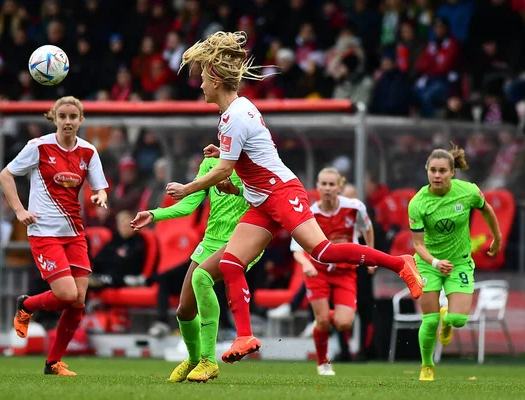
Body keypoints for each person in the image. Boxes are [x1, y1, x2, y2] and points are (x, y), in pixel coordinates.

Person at [167, 31, 423, 363]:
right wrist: (230, 157)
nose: (199, 85)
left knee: (324, 251)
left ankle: (400, 262)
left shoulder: (234, 116)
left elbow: (221, 171)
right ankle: (244, 337)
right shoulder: (235, 112)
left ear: (215, 79)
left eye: (202, 78)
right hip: (261, 199)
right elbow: (246, 159)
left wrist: (187, 188)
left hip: (281, 192)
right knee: (231, 262)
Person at [0, 96, 109, 376]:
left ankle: (53, 363)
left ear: (81, 120)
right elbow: (5, 175)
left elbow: (100, 188)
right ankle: (26, 304)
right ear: (55, 118)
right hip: (44, 232)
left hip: (74, 232)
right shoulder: (38, 146)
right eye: (63, 116)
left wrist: (99, 195)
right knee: (67, 294)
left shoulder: (88, 151)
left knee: (79, 300)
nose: (68, 122)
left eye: (73, 117)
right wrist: (19, 210)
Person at [131, 156, 261, 382]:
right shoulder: (211, 164)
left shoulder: (254, 162)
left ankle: (208, 360)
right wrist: (154, 214)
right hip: (210, 241)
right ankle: (193, 359)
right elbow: (189, 204)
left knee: (202, 278)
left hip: (242, 240)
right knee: (184, 310)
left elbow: (264, 198)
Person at [408, 144, 502, 381]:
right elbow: (417, 244)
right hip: (429, 262)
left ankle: (447, 319)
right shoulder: (418, 203)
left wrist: (497, 237)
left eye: (442, 171)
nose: (437, 175)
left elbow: (487, 209)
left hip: (459, 262)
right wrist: (436, 261)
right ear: (427, 171)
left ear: (452, 172)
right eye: (433, 170)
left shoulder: (468, 191)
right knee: (429, 322)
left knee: (459, 319)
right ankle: (427, 366)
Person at [289, 168, 374, 375]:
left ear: (339, 187)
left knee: (344, 323)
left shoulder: (355, 208)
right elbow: (296, 249)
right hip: (318, 272)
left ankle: (325, 317)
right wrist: (306, 264)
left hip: (345, 271)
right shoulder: (310, 214)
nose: (327, 188)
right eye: (323, 184)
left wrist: (371, 256)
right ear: (317, 187)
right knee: (323, 321)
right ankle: (323, 362)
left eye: (331, 184)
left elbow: (367, 229)